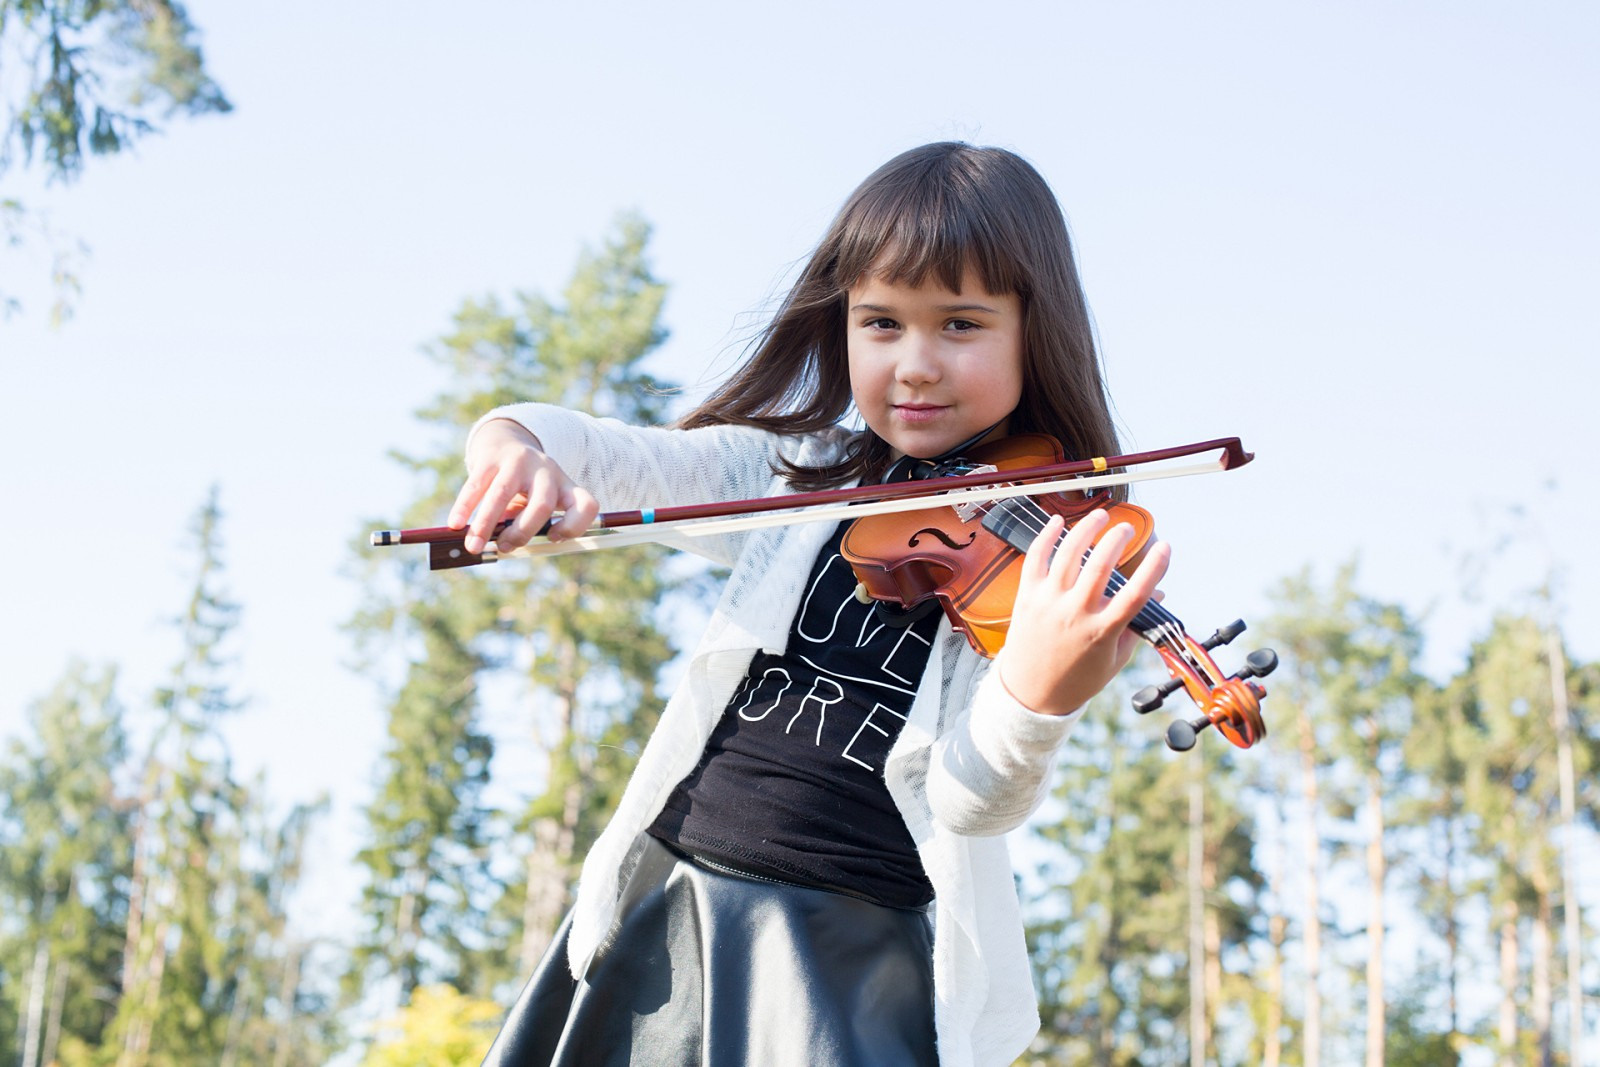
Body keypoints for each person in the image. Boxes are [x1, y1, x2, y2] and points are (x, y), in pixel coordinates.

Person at [450, 142, 1170, 1067]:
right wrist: (514, 444)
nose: (913, 365)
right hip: (678, 910)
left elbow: (968, 801)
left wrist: (1036, 697)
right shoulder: (797, 477)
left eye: (959, 324)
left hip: (843, 959)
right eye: (879, 322)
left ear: (1038, 332)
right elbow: (607, 453)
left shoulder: (1047, 557)